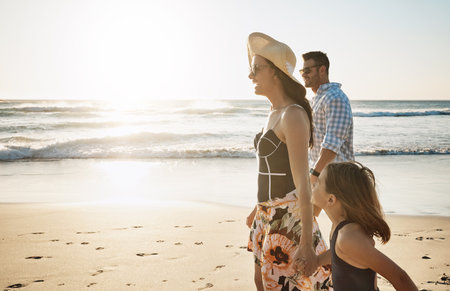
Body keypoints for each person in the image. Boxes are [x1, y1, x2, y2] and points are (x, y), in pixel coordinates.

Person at [245, 32, 330, 291]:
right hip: (267, 214)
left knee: (293, 286)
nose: (251, 76)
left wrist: (306, 242)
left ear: (275, 72)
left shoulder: (292, 115)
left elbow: (304, 185)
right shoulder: (273, 113)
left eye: (256, 69)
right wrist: (257, 210)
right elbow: (269, 171)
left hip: (288, 217)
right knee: (262, 282)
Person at [309, 161, 418, 291]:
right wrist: (317, 261)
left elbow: (400, 277)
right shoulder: (339, 228)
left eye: (319, 182)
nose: (314, 182)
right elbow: (338, 253)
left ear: (331, 199)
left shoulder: (349, 237)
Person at [300, 52, 354, 186]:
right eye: (302, 71)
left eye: (307, 70)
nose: (303, 75)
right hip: (324, 175)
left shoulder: (334, 98)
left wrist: (314, 174)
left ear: (322, 70)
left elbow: (332, 142)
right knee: (306, 208)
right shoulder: (317, 100)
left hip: (338, 178)